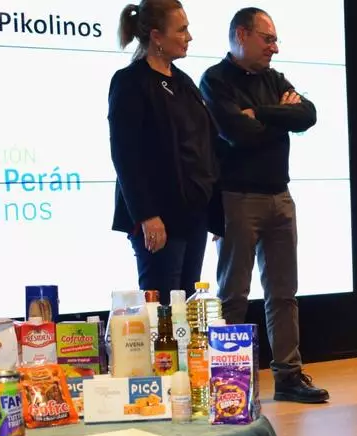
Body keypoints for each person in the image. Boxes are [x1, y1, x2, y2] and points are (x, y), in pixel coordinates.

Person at [199, 7, 328, 404]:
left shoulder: (274, 78)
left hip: (280, 197)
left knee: (284, 293)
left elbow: (308, 114)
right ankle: (228, 384)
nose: (275, 47)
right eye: (268, 39)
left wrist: (262, 113)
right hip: (237, 198)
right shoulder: (215, 80)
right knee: (233, 296)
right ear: (242, 35)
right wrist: (280, 116)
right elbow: (239, 133)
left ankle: (288, 377)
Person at [108, 0, 217, 305]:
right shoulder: (130, 82)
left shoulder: (184, 82)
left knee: (189, 307)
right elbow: (125, 155)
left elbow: (204, 145)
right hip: (159, 217)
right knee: (163, 309)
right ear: (156, 36)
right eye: (181, 30)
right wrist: (147, 215)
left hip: (193, 214)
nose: (189, 37)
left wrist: (215, 213)